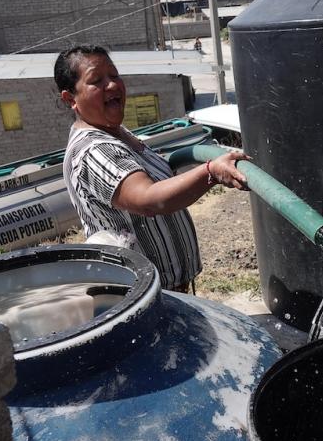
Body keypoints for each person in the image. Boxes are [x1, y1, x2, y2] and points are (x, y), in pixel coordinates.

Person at [54, 44, 248, 291]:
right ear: (70, 98)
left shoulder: (117, 133)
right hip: (145, 299)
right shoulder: (95, 150)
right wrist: (211, 172)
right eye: (97, 80)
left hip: (167, 291)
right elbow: (148, 200)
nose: (112, 85)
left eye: (114, 76)